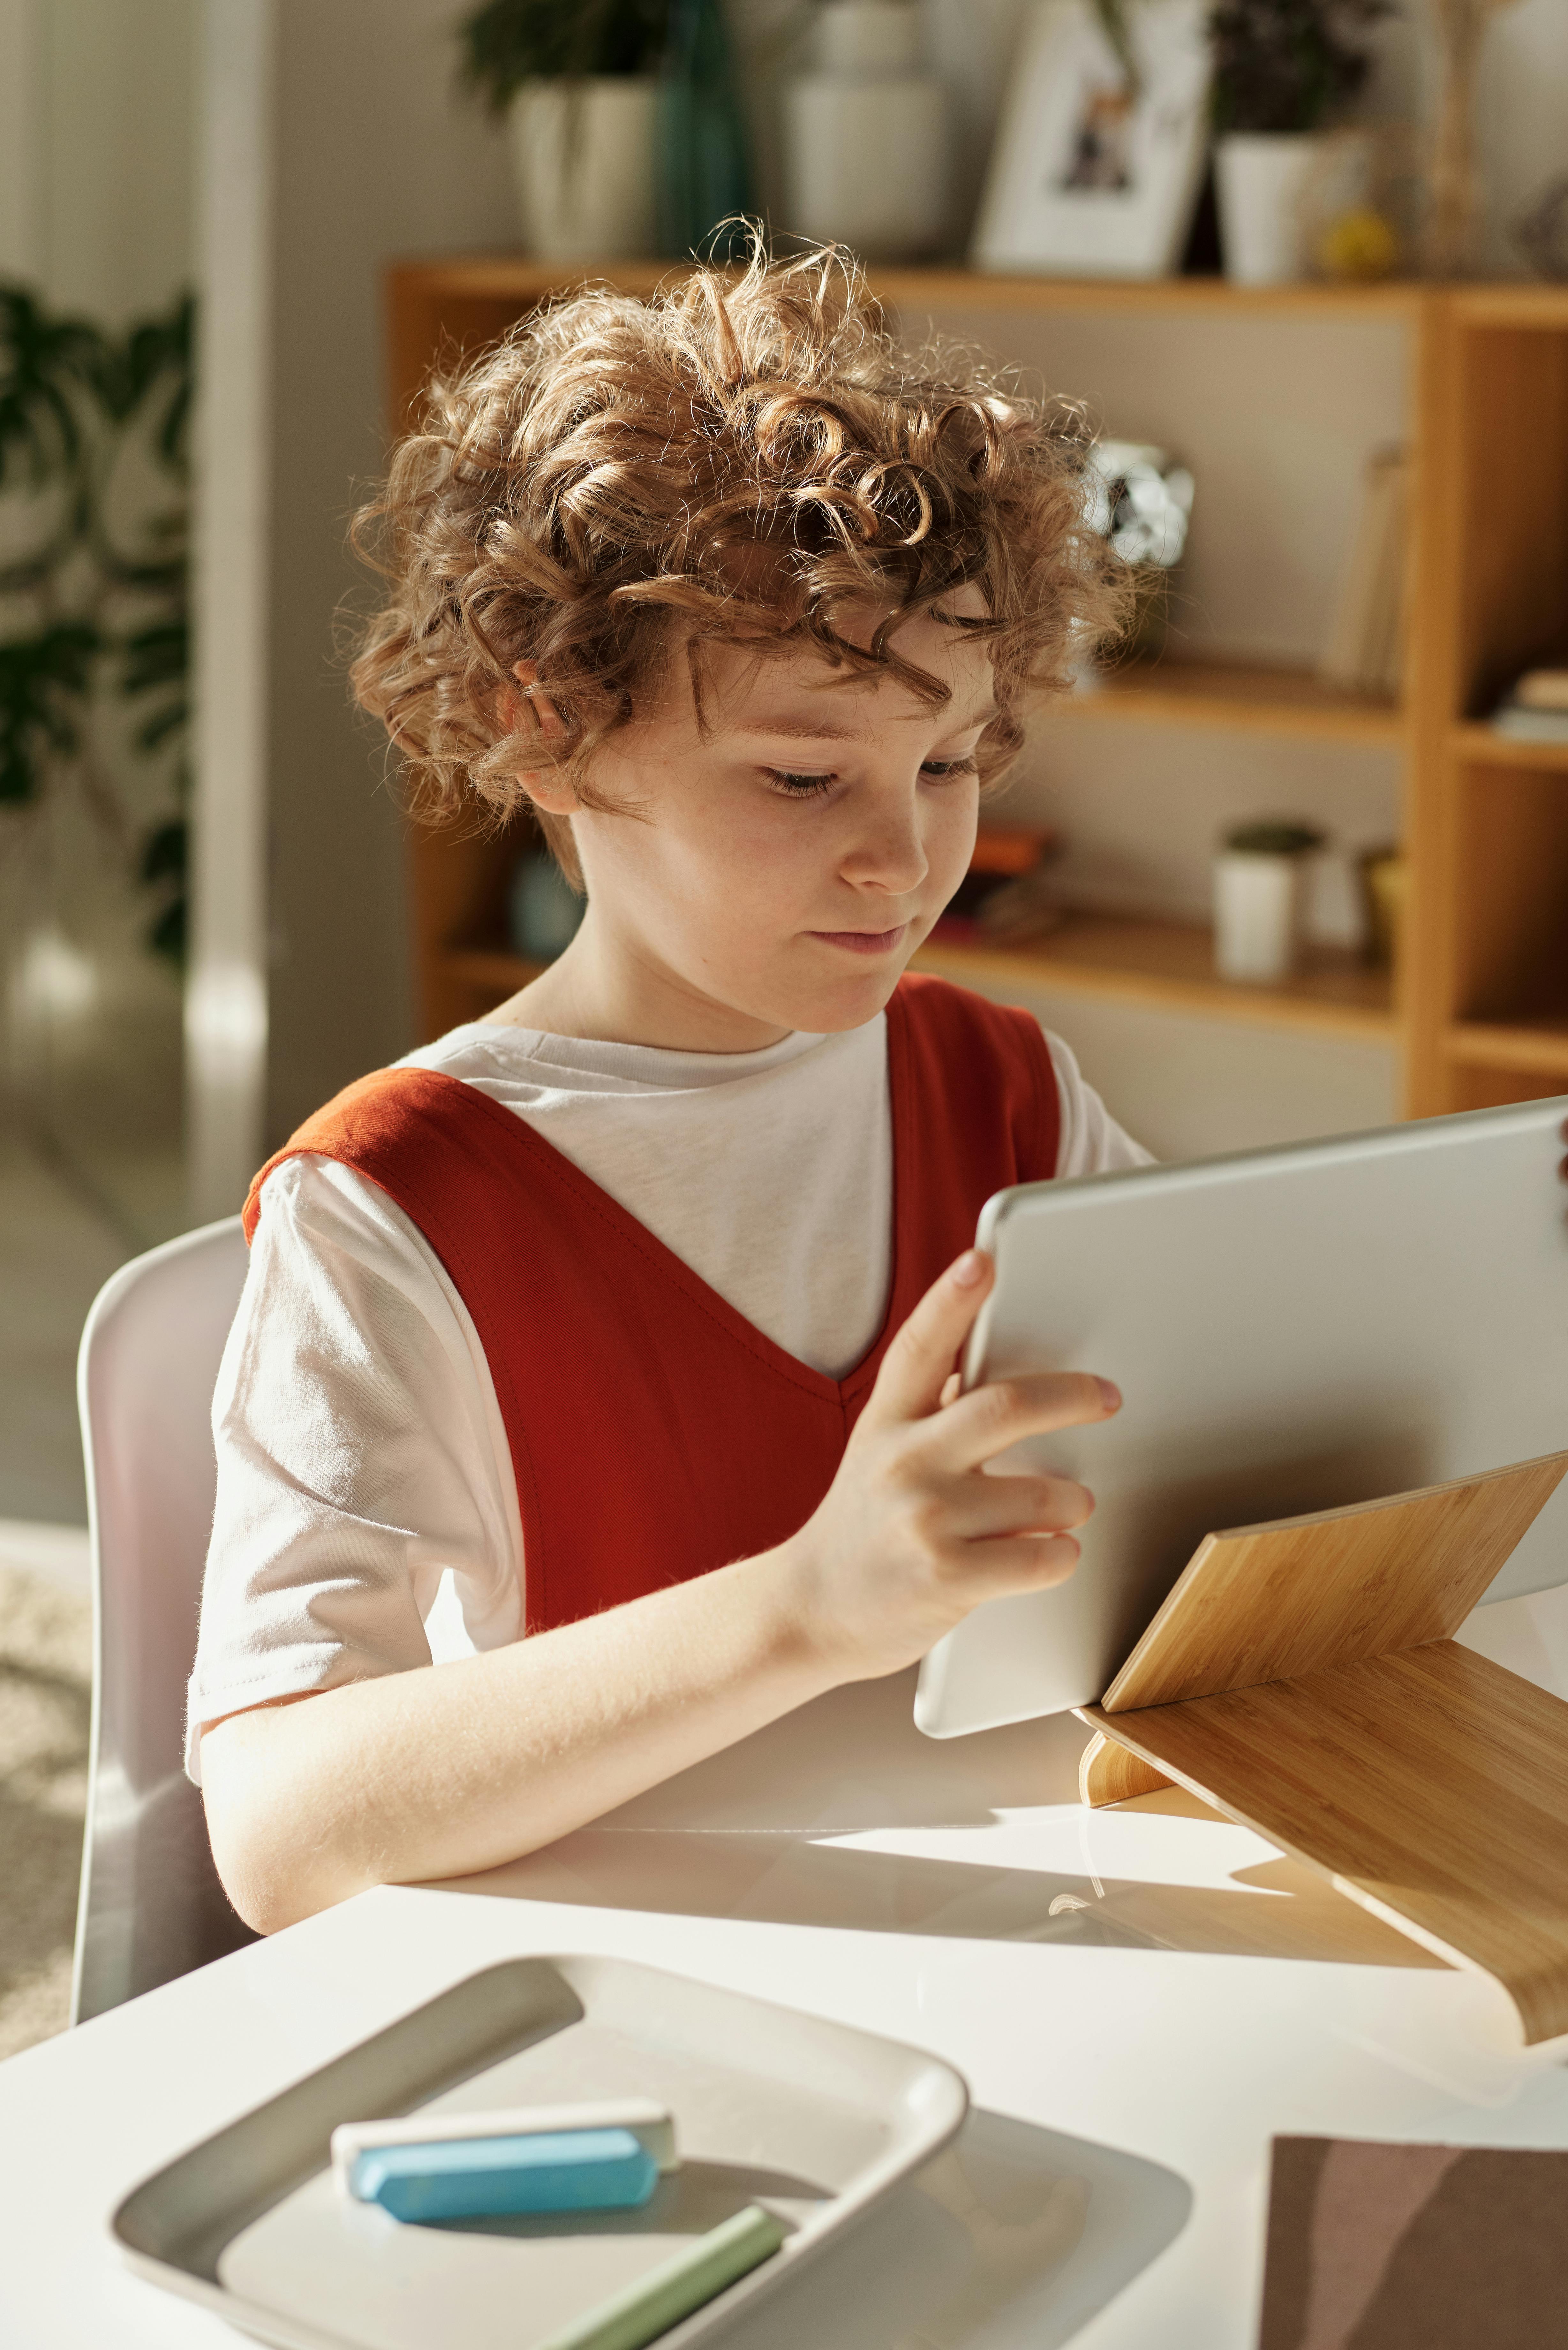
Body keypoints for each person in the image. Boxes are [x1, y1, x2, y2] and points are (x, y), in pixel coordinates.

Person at [192, 244, 1149, 1934]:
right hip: (621, 1998)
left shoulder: (1006, 1091)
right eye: (802, 774)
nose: (903, 854)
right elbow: (278, 1833)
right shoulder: (396, 1207)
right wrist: (804, 1610)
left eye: (948, 766)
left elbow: (1214, 1497)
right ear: (547, 723)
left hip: (1001, 1938)